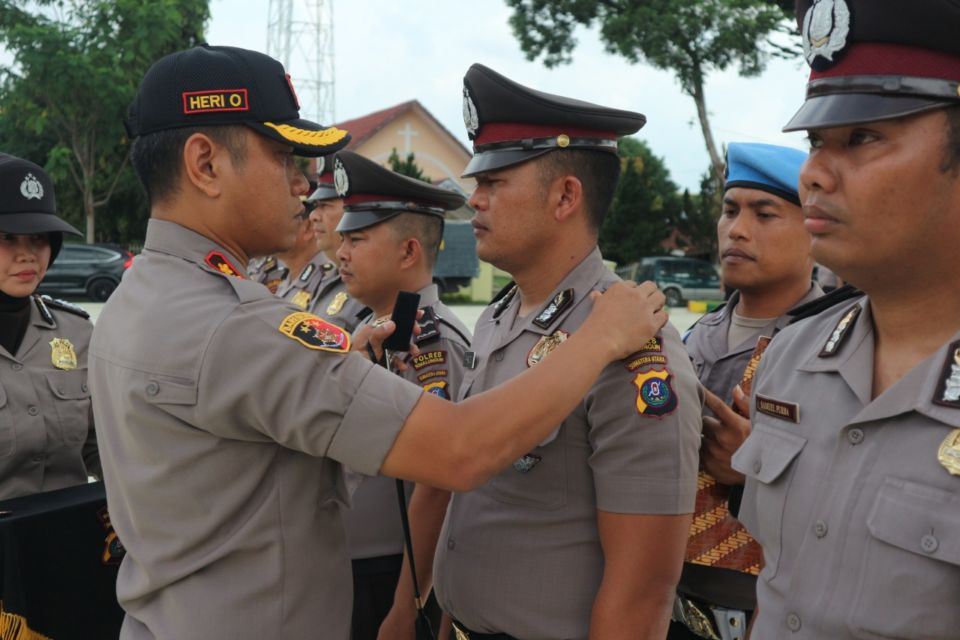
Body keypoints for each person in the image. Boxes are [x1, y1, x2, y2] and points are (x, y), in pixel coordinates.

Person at [89, 44, 668, 640]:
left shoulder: (136, 301)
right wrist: (598, 339)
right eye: (286, 157)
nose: (305, 184)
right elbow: (458, 451)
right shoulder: (239, 325)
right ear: (205, 165)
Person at [701, 1, 960, 638]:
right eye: (817, 141)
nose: (814, 174)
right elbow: (779, 580)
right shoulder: (791, 358)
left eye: (862, 137)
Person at [423, 64, 702, 640]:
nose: (474, 200)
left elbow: (641, 593)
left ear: (565, 196)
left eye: (494, 183)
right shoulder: (498, 319)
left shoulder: (631, 348)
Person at [673, 143, 820, 640]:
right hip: (663, 600)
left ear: (814, 229)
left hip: (769, 612)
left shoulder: (837, 347)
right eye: (730, 210)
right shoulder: (690, 338)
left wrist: (753, 471)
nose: (736, 229)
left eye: (764, 213)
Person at [332, 150, 471, 640]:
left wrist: (407, 606)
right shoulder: (372, 329)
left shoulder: (433, 343)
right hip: (351, 566)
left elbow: (436, 487)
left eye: (358, 239)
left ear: (409, 252)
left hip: (392, 575)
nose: (340, 253)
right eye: (342, 239)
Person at [0, 153, 99, 500]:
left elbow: (101, 447)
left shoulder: (76, 334)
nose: (27, 255)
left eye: (39, 239)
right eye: (8, 238)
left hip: (69, 541)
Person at [304, 157, 366, 330]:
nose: (313, 216)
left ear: (350, 211)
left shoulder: (370, 286)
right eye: (315, 206)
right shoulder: (328, 277)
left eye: (324, 205)